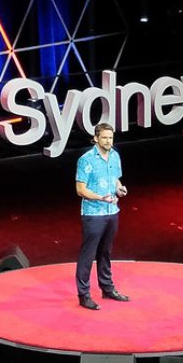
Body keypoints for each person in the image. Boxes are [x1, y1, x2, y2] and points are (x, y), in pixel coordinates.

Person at [74, 122, 130, 309]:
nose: (108, 141)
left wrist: (120, 189)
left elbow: (115, 179)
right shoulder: (86, 159)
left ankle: (107, 288)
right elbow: (80, 190)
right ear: (96, 138)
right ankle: (84, 295)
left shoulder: (115, 156)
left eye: (111, 138)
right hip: (93, 214)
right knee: (88, 255)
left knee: (106, 252)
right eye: (105, 137)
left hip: (112, 212)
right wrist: (101, 197)